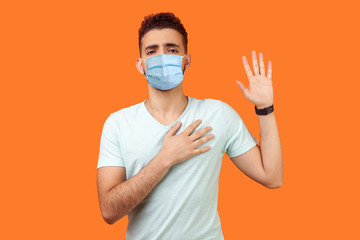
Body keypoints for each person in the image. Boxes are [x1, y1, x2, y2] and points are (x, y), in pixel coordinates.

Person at [96, 12, 283, 240]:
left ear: (187, 60)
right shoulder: (118, 123)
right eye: (152, 51)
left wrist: (265, 108)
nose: (162, 56)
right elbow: (109, 211)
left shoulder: (218, 114)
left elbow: (272, 177)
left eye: (172, 49)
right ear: (140, 65)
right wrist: (166, 158)